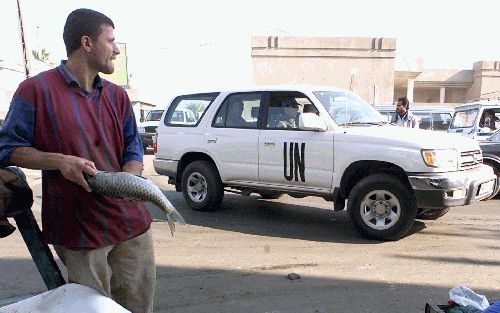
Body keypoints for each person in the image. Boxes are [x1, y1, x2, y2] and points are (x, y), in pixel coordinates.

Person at [0, 9, 154, 313]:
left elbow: (134, 148)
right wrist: (60, 161)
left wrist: (130, 177)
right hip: (80, 230)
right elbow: (6, 148)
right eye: (110, 41)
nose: (117, 49)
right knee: (89, 309)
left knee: (138, 307)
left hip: (131, 223)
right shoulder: (35, 90)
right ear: (86, 42)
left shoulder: (117, 96)